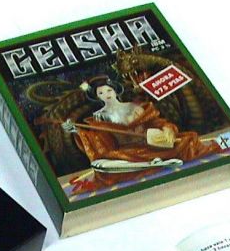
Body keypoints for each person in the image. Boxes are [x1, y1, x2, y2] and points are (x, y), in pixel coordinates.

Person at [62, 76, 218, 193]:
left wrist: (167, 130)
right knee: (102, 165)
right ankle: (152, 163)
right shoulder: (99, 116)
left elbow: (155, 123)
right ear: (98, 97)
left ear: (115, 90)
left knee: (186, 141)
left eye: (109, 90)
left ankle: (157, 160)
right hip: (125, 152)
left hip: (151, 143)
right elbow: (99, 138)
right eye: (101, 92)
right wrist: (75, 130)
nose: (106, 94)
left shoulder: (133, 106)